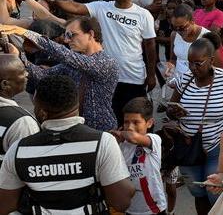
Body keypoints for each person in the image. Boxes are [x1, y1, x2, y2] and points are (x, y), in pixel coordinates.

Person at [0, 75, 134, 214]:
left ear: (40, 109)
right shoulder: (103, 143)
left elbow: (4, 206)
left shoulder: (19, 150)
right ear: (77, 102)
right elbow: (121, 202)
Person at [165, 34, 223, 214]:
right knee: (198, 192)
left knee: (216, 193)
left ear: (211, 60)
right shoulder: (184, 79)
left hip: (218, 148)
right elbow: (170, 108)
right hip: (188, 148)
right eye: (190, 63)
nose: (192, 68)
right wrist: (172, 112)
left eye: (198, 63)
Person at [50, 0, 156, 125]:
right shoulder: (101, 7)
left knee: (134, 119)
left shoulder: (143, 15)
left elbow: (150, 46)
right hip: (106, 76)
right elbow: (74, 7)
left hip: (133, 76)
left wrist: (151, 75)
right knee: (110, 118)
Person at [1, 17, 119, 132]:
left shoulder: (106, 62)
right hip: (77, 129)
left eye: (71, 35)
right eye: (66, 35)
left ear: (91, 34)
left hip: (102, 131)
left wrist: (29, 34)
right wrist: (19, 56)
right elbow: (43, 76)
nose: (67, 40)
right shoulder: (75, 62)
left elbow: (66, 56)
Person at [111, 97, 167, 215]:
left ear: (150, 123)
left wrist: (120, 133)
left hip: (154, 208)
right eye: (126, 122)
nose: (130, 127)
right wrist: (112, 140)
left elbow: (133, 137)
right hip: (131, 208)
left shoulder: (153, 140)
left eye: (136, 122)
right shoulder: (121, 145)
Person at [0, 54, 40, 166]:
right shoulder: (21, 123)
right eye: (22, 72)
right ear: (5, 84)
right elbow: (30, 166)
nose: (27, 75)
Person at [168, 4, 212, 78]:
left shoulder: (206, 37)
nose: (179, 31)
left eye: (182, 27)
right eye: (175, 27)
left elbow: (216, 67)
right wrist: (169, 69)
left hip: (199, 81)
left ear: (192, 21)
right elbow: (173, 59)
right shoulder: (174, 35)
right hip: (179, 80)